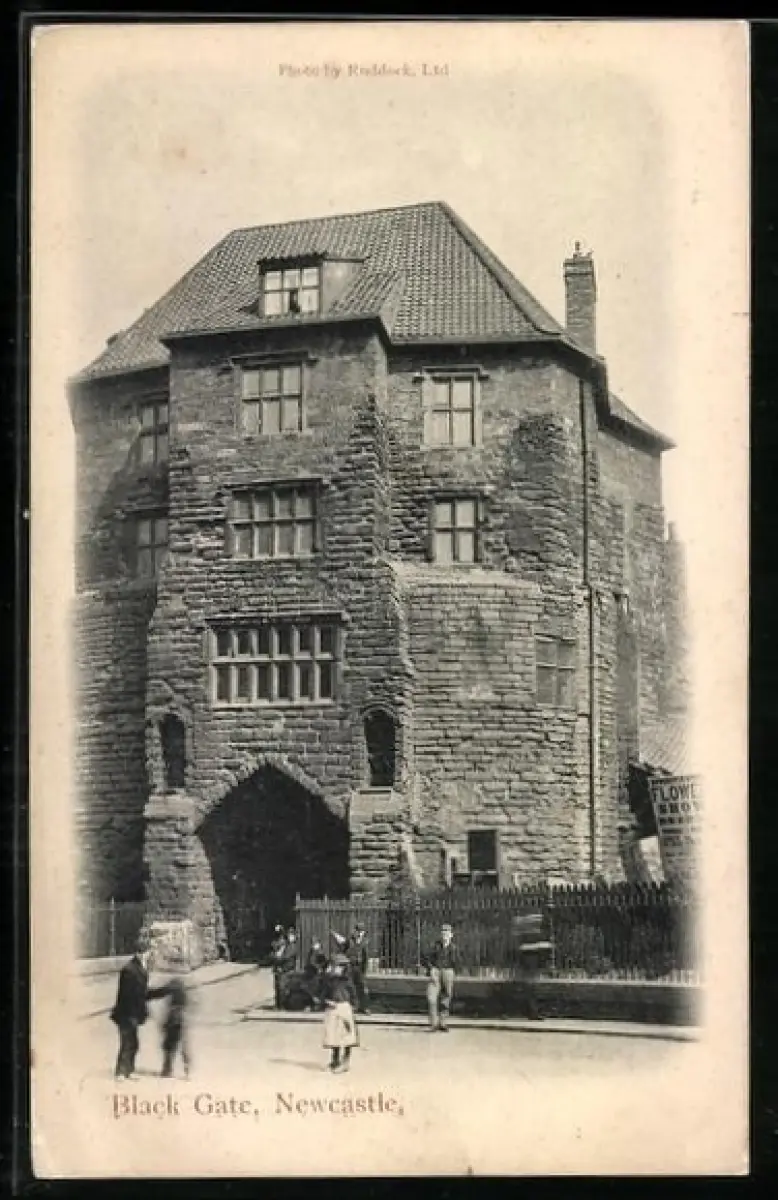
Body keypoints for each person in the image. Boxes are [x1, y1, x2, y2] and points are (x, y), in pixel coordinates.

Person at [110, 943, 155, 1080]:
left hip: (133, 1013)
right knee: (127, 1042)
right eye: (148, 953)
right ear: (140, 953)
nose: (149, 956)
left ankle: (129, 1070)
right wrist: (132, 1015)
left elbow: (142, 992)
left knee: (133, 1043)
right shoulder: (129, 970)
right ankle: (120, 1072)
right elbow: (126, 995)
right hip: (126, 1013)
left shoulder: (140, 968)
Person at [510, 912, 552, 1020]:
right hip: (530, 958)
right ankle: (533, 1011)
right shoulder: (530, 933)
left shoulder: (525, 932)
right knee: (531, 986)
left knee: (531, 985)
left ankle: (533, 1010)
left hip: (530, 958)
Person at [321, 953, 359, 1073]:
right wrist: (326, 1001)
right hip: (332, 1008)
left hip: (344, 1008)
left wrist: (353, 1007)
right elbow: (322, 994)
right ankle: (335, 1060)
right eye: (335, 966)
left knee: (347, 1035)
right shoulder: (329, 981)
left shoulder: (347, 981)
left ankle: (345, 1061)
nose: (337, 968)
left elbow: (354, 995)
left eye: (340, 966)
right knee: (334, 1036)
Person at [152, 975, 193, 1079]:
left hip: (173, 1019)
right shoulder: (183, 992)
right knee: (183, 1044)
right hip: (182, 1018)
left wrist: (144, 993)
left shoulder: (173, 988)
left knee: (170, 1044)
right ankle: (187, 1069)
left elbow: (159, 992)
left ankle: (167, 1069)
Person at [422, 923, 458, 1032]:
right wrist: (431, 969)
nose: (445, 934)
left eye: (447, 932)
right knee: (431, 997)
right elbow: (425, 958)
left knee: (446, 997)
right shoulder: (434, 946)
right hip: (436, 971)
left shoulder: (454, 948)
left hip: (448, 972)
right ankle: (434, 1023)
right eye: (443, 932)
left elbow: (457, 962)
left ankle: (443, 1022)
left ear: (451, 935)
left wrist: (452, 972)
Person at [344, 923, 370, 1014]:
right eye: (357, 930)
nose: (358, 933)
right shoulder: (349, 940)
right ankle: (354, 1006)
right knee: (351, 987)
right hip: (350, 966)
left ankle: (364, 1007)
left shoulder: (365, 942)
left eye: (360, 931)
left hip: (359, 966)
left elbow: (366, 957)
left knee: (362, 987)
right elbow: (344, 951)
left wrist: (364, 970)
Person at [275, 926, 299, 1010]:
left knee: (283, 987)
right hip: (283, 969)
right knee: (280, 987)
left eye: (292, 935)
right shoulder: (286, 945)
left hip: (288, 969)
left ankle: (283, 1005)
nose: (290, 936)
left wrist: (279, 957)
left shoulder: (293, 946)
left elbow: (286, 957)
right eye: (289, 935)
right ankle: (280, 1005)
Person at [303, 938, 328, 1011]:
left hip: (317, 973)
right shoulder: (312, 951)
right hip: (311, 973)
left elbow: (323, 963)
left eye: (315, 943)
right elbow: (309, 961)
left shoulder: (320, 952)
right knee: (310, 989)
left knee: (316, 989)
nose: (314, 944)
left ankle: (318, 1005)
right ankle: (313, 1005)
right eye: (313, 943)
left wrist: (319, 968)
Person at [270, 925, 287, 1009]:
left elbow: (281, 955)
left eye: (279, 933)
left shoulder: (284, 942)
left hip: (282, 966)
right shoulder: (274, 942)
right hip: (276, 966)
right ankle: (278, 1004)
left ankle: (282, 1004)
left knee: (282, 986)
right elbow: (273, 954)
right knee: (277, 986)